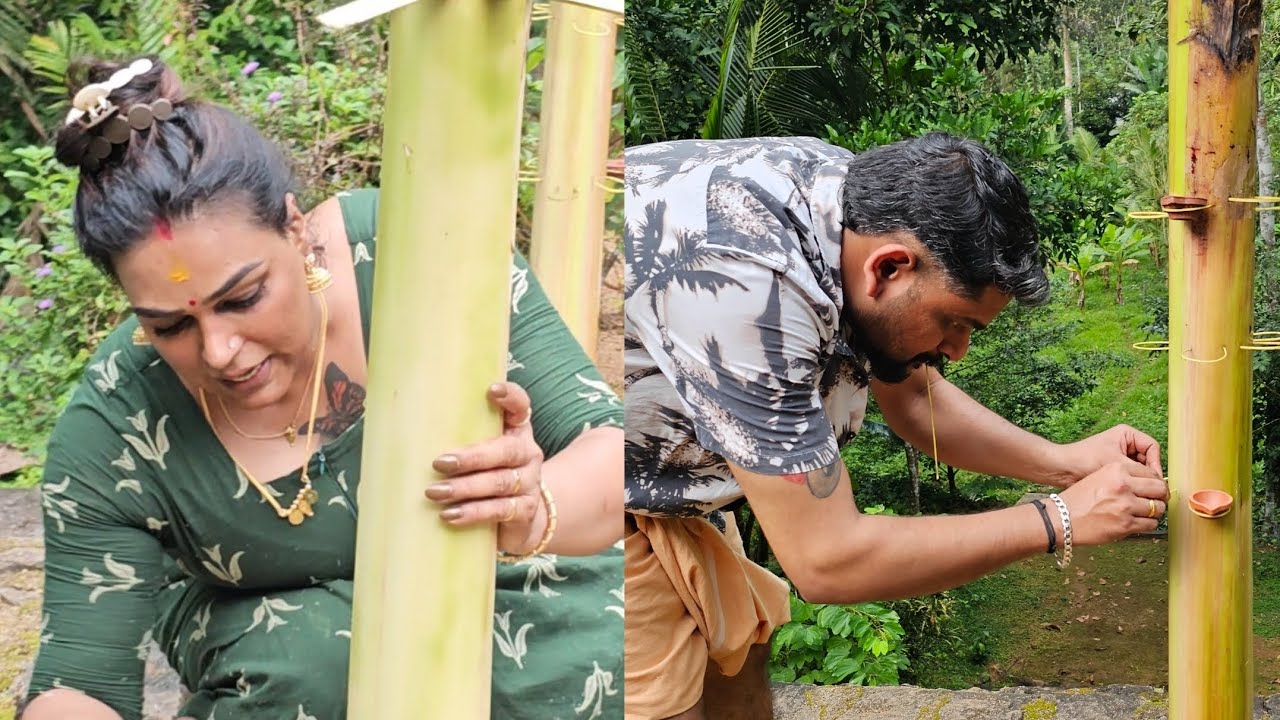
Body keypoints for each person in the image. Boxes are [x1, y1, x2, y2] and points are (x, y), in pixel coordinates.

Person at [20, 56, 624, 720]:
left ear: (296, 226)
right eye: (169, 326)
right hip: (283, 646)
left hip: (511, 578)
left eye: (244, 297)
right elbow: (77, 686)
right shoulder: (115, 427)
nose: (220, 352)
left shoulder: (421, 252)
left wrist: (535, 508)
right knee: (306, 662)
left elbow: (614, 454)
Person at [622, 133, 1170, 720]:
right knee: (666, 704)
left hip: (666, 482)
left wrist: (1069, 463)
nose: (957, 351)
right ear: (889, 268)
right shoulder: (749, 293)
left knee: (739, 666)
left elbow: (913, 398)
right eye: (956, 323)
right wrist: (1059, 519)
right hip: (573, 478)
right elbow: (828, 560)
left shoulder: (851, 207)